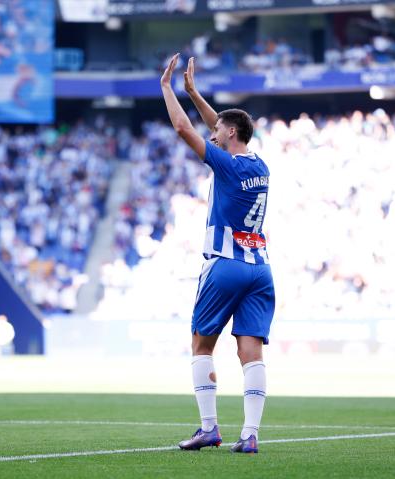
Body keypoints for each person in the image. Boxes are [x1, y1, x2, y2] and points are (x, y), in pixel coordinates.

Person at [160, 54, 275, 454]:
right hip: (260, 269)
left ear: (230, 132)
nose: (212, 133)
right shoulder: (259, 166)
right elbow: (220, 126)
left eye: (217, 131)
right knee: (251, 353)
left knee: (201, 345)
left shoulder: (227, 167)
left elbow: (182, 128)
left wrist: (167, 89)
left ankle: (209, 428)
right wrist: (193, 92)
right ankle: (250, 435)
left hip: (225, 264)